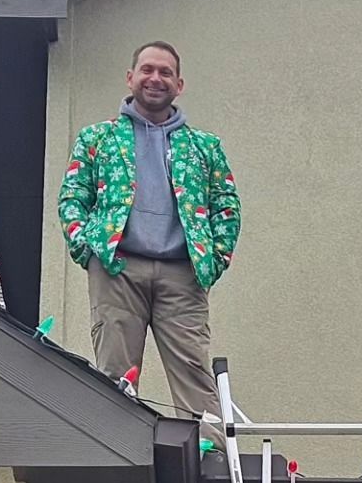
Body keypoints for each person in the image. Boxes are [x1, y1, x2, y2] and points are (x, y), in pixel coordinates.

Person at [57, 41, 240, 439]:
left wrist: (214, 259)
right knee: (114, 375)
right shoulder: (98, 138)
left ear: (179, 84)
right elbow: (73, 197)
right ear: (131, 77)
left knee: (194, 372)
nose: (155, 78)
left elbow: (226, 206)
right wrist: (87, 248)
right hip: (117, 268)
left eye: (165, 73)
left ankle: (215, 467)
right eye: (147, 70)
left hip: (182, 274)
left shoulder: (204, 147)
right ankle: (116, 460)